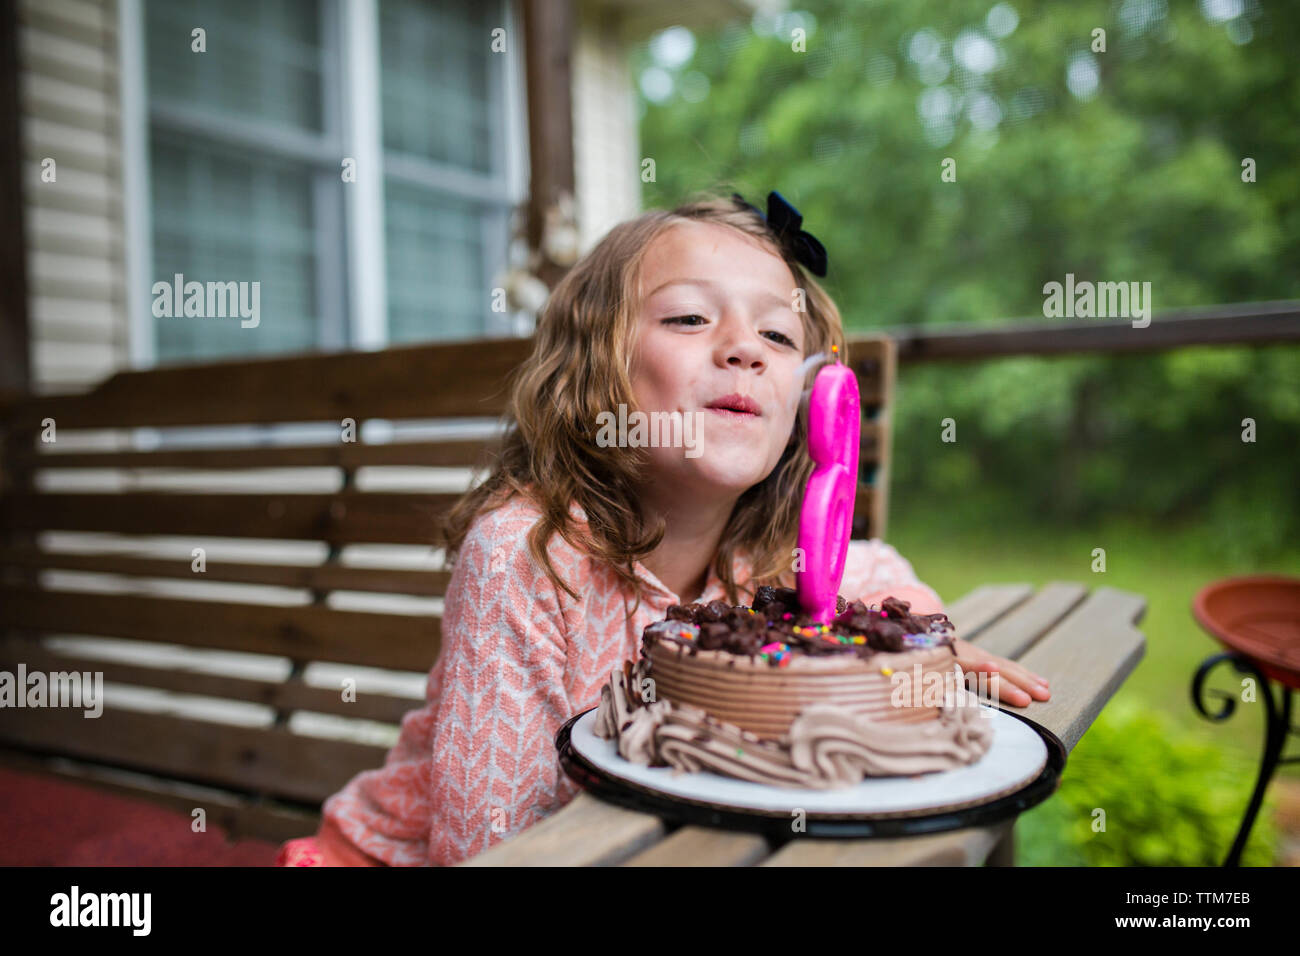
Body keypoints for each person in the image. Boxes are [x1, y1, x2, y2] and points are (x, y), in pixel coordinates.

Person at [273, 189, 1050, 867]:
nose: (745, 348)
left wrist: (915, 633)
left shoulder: (768, 555)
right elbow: (487, 846)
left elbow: (871, 565)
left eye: (779, 338)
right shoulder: (528, 555)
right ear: (595, 370)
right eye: (688, 317)